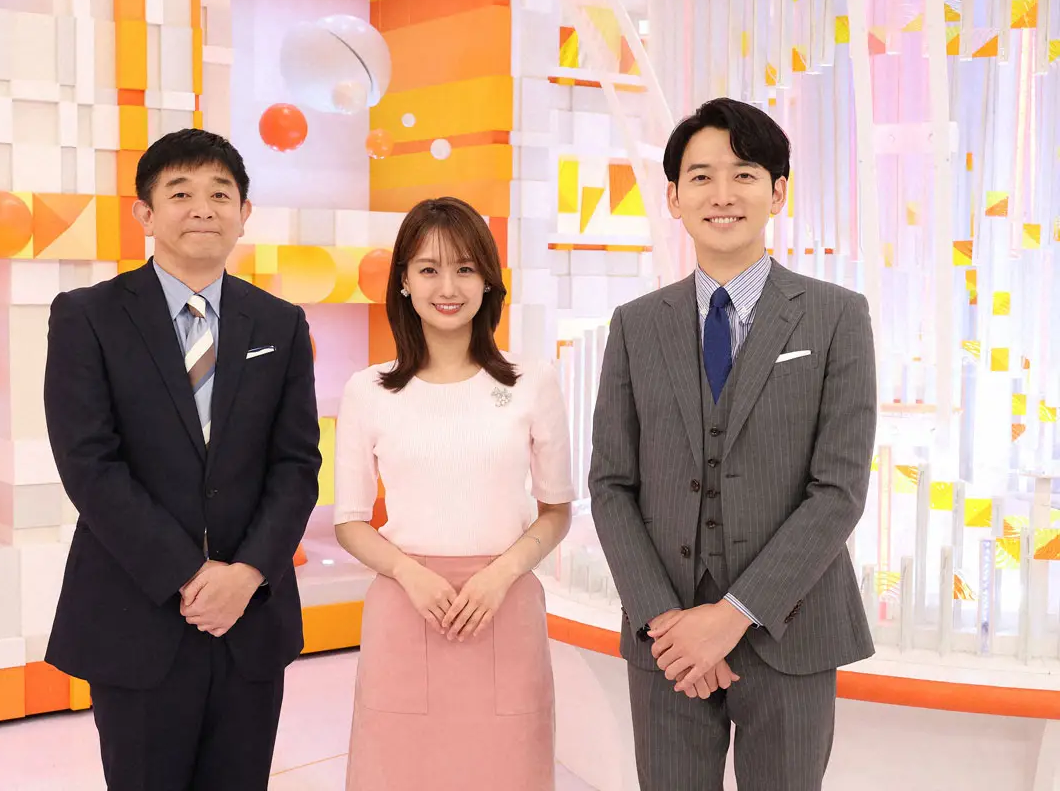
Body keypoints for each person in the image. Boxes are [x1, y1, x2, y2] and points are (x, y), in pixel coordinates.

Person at [588, 97, 878, 791]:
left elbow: (838, 492)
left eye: (744, 174)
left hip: (793, 631)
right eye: (701, 177)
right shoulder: (635, 325)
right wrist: (667, 623)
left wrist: (731, 617)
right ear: (674, 197)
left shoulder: (837, 316)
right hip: (667, 642)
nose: (722, 194)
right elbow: (611, 485)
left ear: (777, 193)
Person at [42, 128, 321, 790]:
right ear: (145, 213)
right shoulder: (88, 316)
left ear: (244, 213)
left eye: (221, 194)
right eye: (180, 193)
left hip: (250, 617)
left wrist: (246, 573)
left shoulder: (279, 323)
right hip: (137, 615)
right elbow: (89, 464)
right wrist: (191, 576)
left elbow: (296, 465)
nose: (203, 208)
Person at [332, 197, 575, 791]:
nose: (448, 287)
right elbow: (350, 521)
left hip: (504, 605)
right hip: (406, 606)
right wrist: (409, 574)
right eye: (429, 268)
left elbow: (556, 510)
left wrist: (501, 575)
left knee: (509, 770)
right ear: (404, 281)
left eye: (465, 268)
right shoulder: (368, 389)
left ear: (488, 280)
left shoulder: (531, 381)